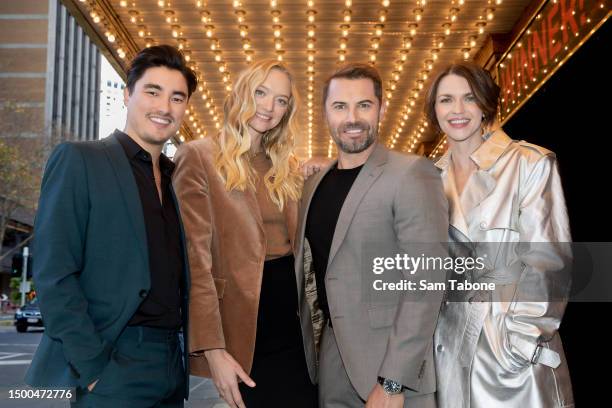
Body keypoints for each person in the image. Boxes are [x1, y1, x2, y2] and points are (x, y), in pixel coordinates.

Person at [25, 45, 196, 407]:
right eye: (153, 91)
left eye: (177, 97)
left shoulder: (174, 179)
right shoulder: (81, 160)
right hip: (113, 363)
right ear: (127, 94)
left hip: (171, 364)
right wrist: (92, 366)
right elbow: (54, 272)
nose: (165, 107)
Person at [294, 63, 449, 408]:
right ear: (324, 114)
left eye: (364, 105)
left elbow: (426, 281)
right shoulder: (313, 185)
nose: (352, 117)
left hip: (394, 372)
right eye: (340, 107)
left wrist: (393, 379)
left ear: (380, 108)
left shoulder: (411, 173)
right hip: (332, 361)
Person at [425, 62, 574, 407]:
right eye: (446, 100)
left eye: (469, 98)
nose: (457, 110)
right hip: (447, 351)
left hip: (512, 351)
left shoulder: (528, 162)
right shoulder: (428, 179)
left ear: (486, 105)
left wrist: (521, 341)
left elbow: (548, 261)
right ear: (434, 110)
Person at [172, 59, 318, 408]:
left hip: (298, 327)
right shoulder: (198, 157)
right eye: (261, 92)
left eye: (281, 100)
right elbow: (195, 263)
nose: (269, 107)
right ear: (241, 94)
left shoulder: (288, 168)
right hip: (245, 329)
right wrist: (214, 350)